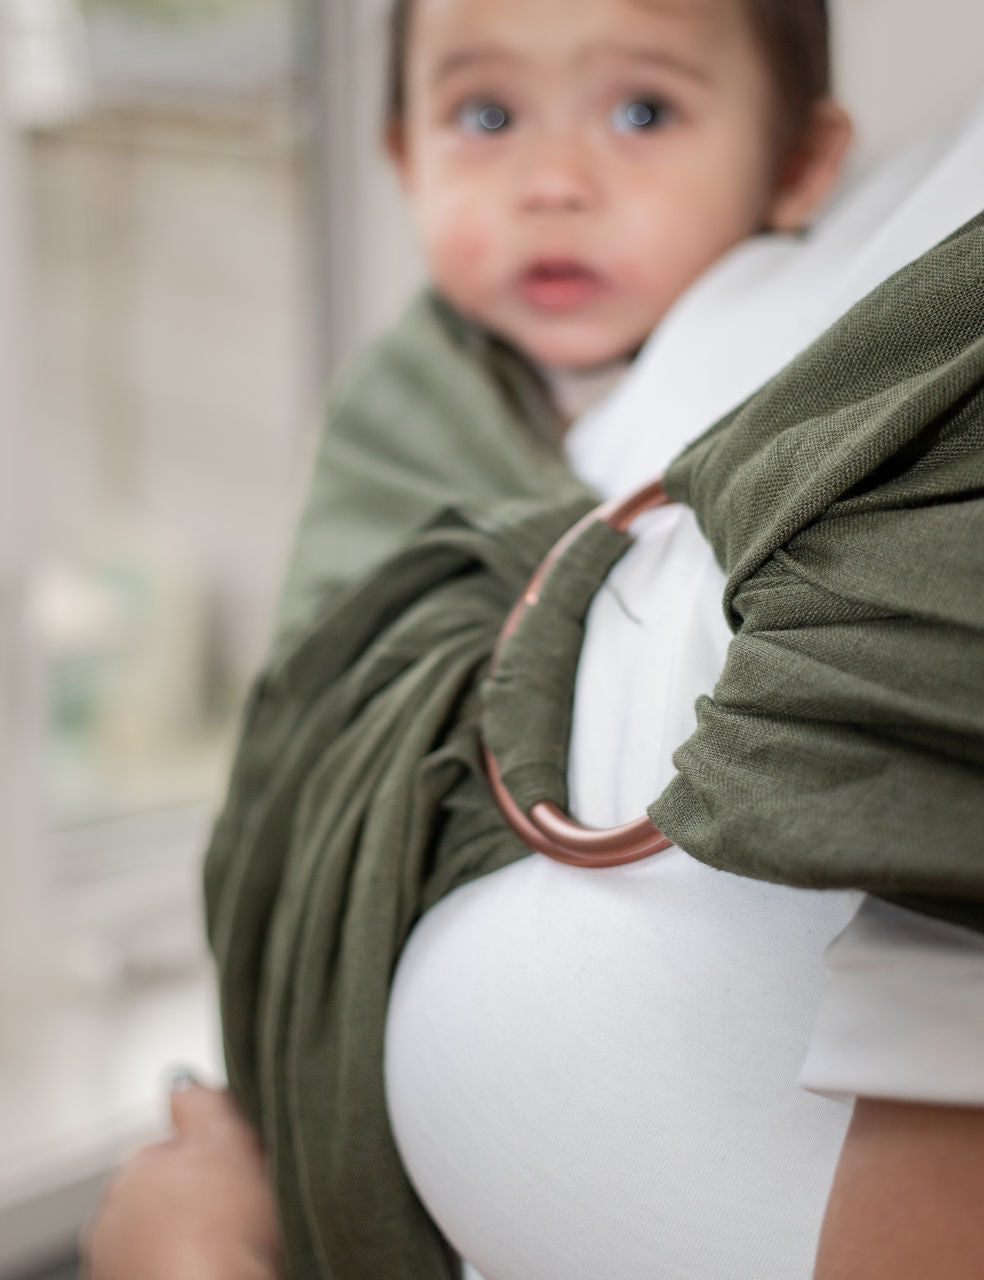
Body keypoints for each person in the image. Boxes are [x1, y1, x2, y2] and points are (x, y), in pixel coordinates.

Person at [82, 0, 984, 1277]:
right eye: (485, 116)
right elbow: (303, 717)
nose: (553, 183)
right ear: (400, 155)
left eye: (642, 112)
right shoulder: (402, 412)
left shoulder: (826, 381)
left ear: (799, 164)